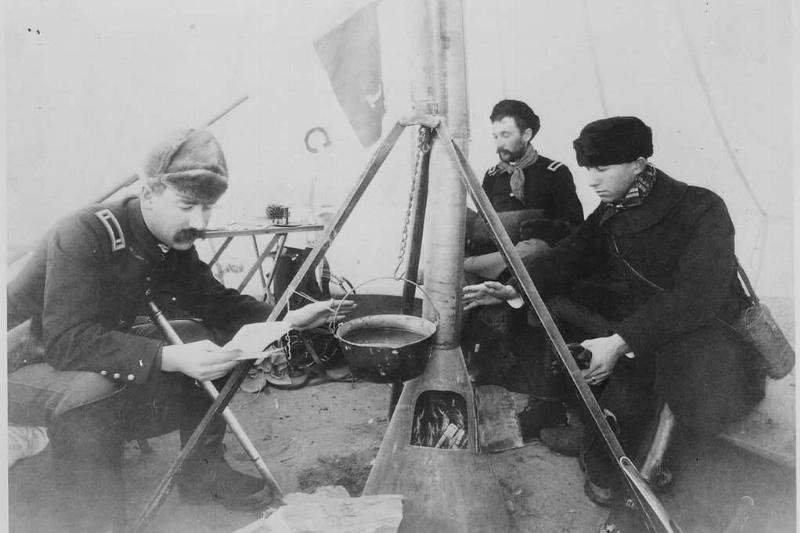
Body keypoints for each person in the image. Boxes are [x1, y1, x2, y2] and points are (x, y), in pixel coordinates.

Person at [7, 128, 354, 532]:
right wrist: (168, 358)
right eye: (188, 205)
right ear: (148, 192)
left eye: (208, 208)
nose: (200, 222)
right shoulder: (86, 232)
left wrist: (286, 318)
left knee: (196, 337)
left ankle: (202, 472)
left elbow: (216, 302)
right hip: (21, 356)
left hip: (79, 348)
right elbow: (65, 342)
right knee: (91, 392)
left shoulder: (167, 237)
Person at [463, 116, 764, 512]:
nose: (591, 179)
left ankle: (614, 449)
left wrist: (621, 342)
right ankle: (584, 419)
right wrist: (515, 288)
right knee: (550, 301)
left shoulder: (702, 207)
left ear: (638, 164)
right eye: (588, 168)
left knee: (648, 385)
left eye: (602, 169)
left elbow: (696, 298)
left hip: (705, 333)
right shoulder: (613, 208)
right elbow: (570, 255)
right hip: (645, 318)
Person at [462, 100, 584, 433]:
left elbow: (574, 227)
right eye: (495, 135)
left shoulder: (554, 173)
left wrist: (528, 226)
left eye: (506, 134)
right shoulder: (490, 177)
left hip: (537, 261)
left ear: (527, 134)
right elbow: (484, 229)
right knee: (453, 263)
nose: (499, 142)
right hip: (498, 259)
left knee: (530, 250)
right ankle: (466, 365)